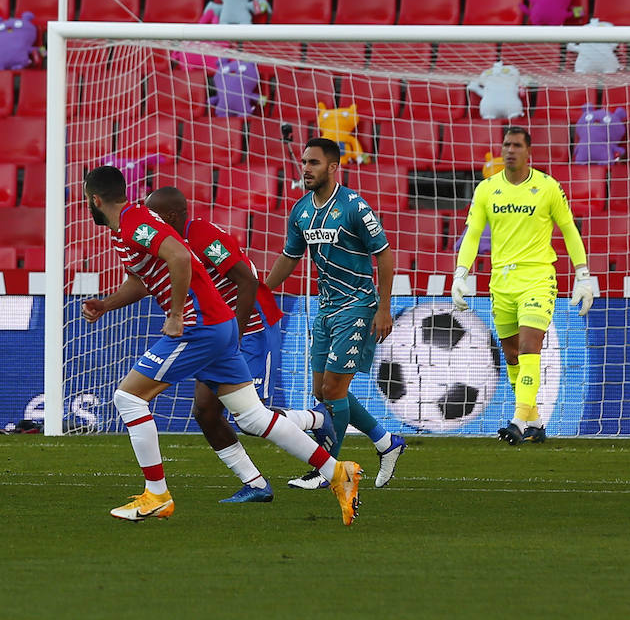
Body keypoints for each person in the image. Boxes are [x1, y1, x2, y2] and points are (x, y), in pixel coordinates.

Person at [82, 166, 361, 525]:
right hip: (219, 323)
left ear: (95, 199)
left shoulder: (135, 221)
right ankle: (338, 472)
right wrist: (106, 304)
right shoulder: (127, 228)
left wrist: (177, 314)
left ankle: (157, 495)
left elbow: (179, 256)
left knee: (128, 398)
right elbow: (140, 280)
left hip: (200, 326)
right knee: (253, 417)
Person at [114, 186, 335, 503]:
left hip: (251, 327)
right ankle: (255, 483)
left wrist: (236, 334)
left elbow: (247, 280)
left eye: (155, 215)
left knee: (251, 419)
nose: (150, 221)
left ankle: (316, 419)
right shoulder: (164, 244)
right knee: (207, 412)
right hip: (213, 332)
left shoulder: (200, 235)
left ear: (172, 216)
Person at [265, 137, 407, 490]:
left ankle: (326, 470)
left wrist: (384, 308)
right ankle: (386, 442)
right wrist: (262, 290)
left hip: (358, 305)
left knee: (333, 388)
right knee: (322, 392)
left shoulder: (354, 207)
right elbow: (289, 257)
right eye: (304, 162)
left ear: (333, 167)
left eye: (313, 162)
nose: (305, 168)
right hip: (326, 306)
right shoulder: (301, 211)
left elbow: (384, 254)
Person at [451, 125, 596, 444]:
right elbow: (472, 234)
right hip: (501, 281)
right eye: (506, 145)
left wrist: (583, 274)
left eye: (517, 145)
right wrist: (461, 273)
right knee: (512, 354)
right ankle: (536, 423)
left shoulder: (547, 187)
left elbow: (569, 229)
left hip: (537, 278)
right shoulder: (487, 189)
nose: (510, 150)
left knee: (531, 346)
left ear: (528, 151)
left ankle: (517, 420)